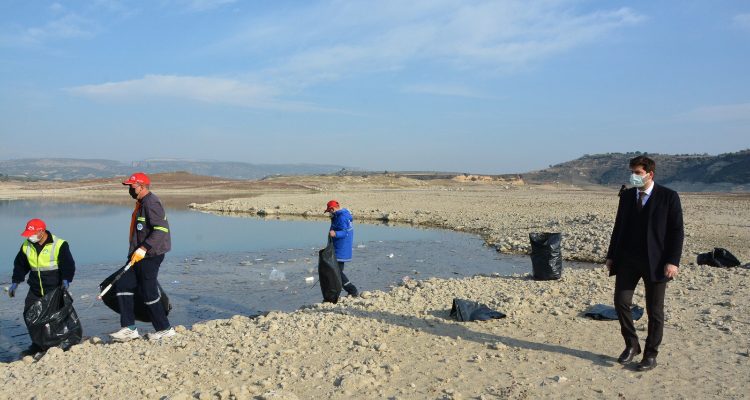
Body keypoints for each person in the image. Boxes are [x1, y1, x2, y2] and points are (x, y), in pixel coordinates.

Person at [606, 156, 684, 371]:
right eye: (632, 172)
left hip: (657, 262)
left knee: (654, 310)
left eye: (638, 173)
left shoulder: (669, 197)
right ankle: (632, 344)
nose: (634, 177)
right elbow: (619, 227)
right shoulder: (628, 196)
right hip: (628, 260)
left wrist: (672, 261)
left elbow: (677, 231)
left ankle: (651, 354)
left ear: (650, 174)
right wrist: (611, 256)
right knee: (621, 302)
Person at [109, 172, 176, 342]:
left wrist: (144, 248)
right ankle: (129, 328)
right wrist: (136, 251)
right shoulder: (141, 203)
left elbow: (161, 230)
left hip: (151, 255)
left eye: (132, 186)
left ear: (142, 186)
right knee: (123, 284)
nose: (129, 189)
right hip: (138, 255)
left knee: (148, 292)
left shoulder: (151, 203)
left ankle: (164, 329)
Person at [9, 218, 76, 354]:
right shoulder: (26, 246)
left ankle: (60, 343)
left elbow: (68, 264)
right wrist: (15, 282)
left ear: (42, 231)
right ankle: (38, 344)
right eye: (28, 233)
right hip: (35, 288)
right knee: (30, 315)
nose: (29, 236)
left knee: (55, 318)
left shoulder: (59, 244)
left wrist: (66, 279)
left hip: (54, 288)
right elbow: (20, 265)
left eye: (32, 233)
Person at [325, 200, 359, 297]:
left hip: (340, 249)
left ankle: (352, 290)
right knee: (336, 272)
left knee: (337, 272)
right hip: (339, 247)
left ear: (332, 209)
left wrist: (335, 233)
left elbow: (344, 232)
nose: (329, 213)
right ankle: (337, 292)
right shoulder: (339, 216)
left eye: (329, 211)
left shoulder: (342, 217)